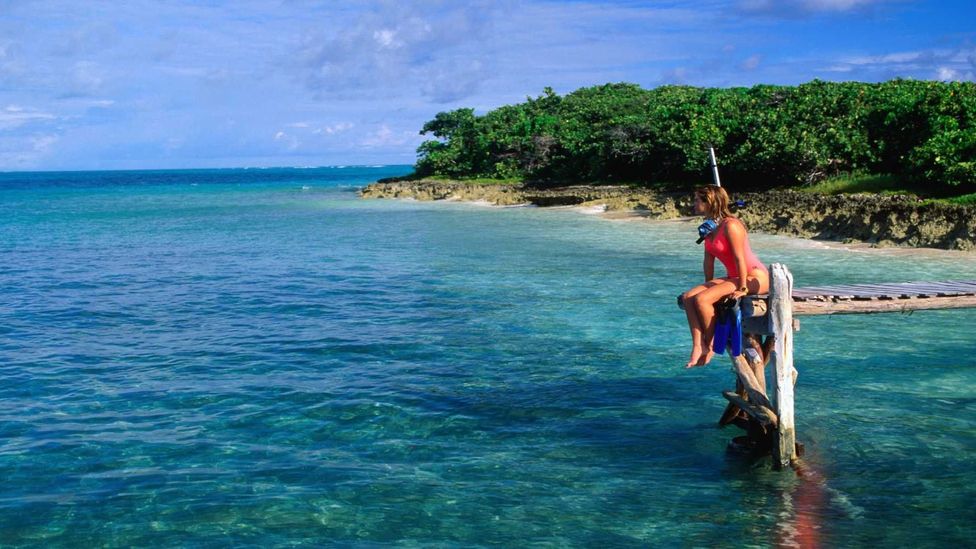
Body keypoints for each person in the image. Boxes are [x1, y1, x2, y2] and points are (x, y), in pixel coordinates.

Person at [682, 185, 768, 368]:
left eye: (697, 200)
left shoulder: (731, 226)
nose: (694, 203)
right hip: (734, 276)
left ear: (710, 201)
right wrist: (708, 285)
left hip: (754, 277)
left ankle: (712, 345)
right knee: (689, 297)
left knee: (702, 300)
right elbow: (708, 262)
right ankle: (698, 346)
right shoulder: (708, 229)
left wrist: (743, 288)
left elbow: (739, 258)